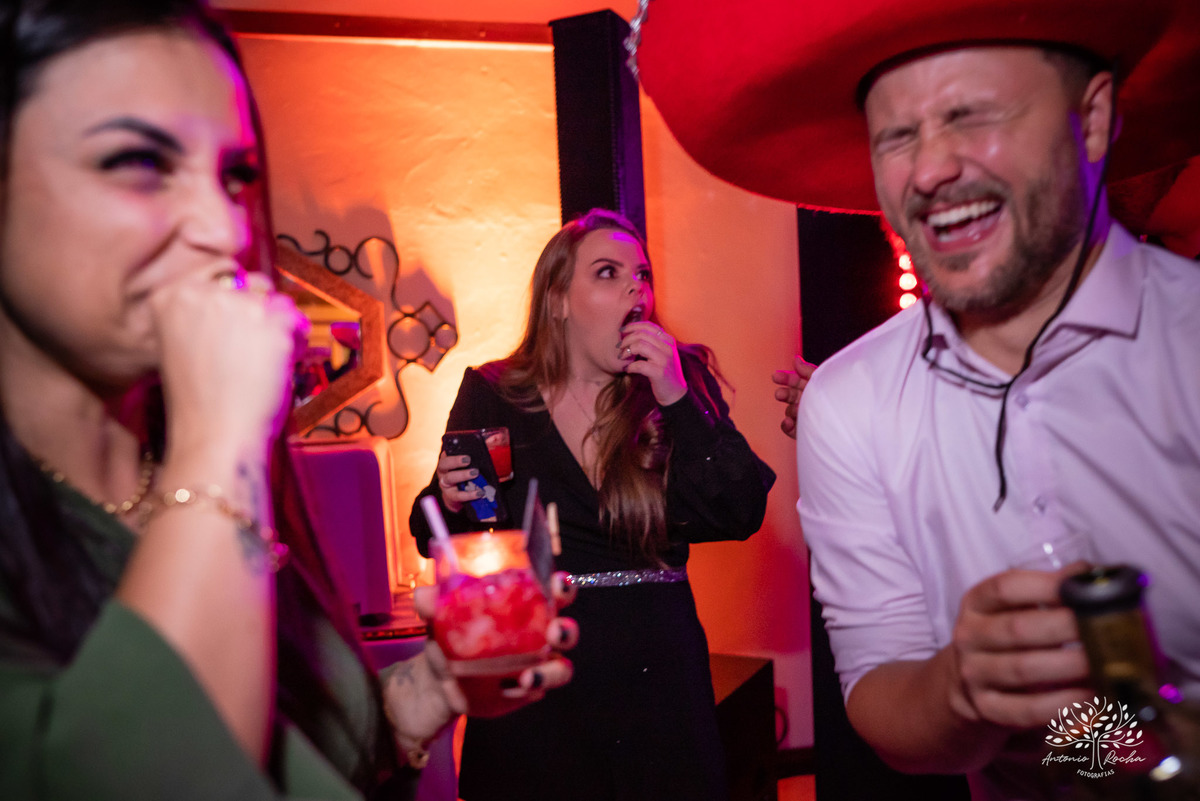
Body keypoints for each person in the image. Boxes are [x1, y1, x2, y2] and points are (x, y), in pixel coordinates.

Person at [0, 2, 574, 799]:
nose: (222, 227)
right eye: (136, 161)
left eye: (233, 176)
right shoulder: (211, 466)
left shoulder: (186, 472)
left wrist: (419, 697)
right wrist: (219, 441)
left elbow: (280, 752)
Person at [634, 0, 1200, 798]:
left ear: (1094, 118)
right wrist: (966, 688)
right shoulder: (854, 402)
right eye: (897, 135)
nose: (930, 168)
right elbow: (888, 693)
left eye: (973, 114)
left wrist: (1135, 748)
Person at [409, 208, 776, 801]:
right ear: (557, 300)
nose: (637, 287)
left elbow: (739, 511)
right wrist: (450, 500)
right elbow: (435, 529)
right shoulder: (494, 392)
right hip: (536, 666)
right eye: (608, 272)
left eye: (643, 274)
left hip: (655, 667)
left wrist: (679, 398)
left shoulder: (678, 384)